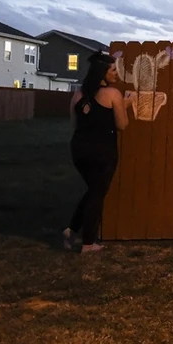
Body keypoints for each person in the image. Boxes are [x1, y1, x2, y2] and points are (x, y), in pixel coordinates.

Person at [62, 51, 134, 253]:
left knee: (94, 190)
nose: (116, 74)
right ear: (102, 72)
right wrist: (125, 105)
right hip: (103, 152)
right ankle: (88, 243)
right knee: (97, 194)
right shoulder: (112, 94)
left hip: (79, 150)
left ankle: (71, 230)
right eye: (113, 70)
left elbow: (74, 125)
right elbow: (122, 125)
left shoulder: (77, 95)